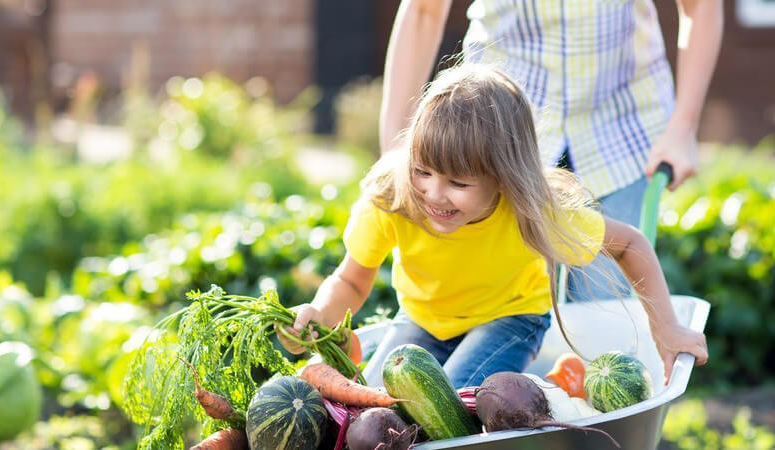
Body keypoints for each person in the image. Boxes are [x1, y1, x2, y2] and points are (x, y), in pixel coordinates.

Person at [280, 65, 707, 388]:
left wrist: (665, 326)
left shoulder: (531, 208)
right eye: (424, 171)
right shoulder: (395, 196)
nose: (433, 193)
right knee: (374, 402)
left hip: (510, 319)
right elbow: (352, 282)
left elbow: (629, 244)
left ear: (502, 178)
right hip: (424, 319)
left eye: (459, 183)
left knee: (444, 407)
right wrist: (319, 313)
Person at [378, 0, 723, 301]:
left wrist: (683, 127)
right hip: (497, 137)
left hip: (621, 123)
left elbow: (699, 5)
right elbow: (424, 9)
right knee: (499, 308)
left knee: (604, 313)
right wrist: (396, 146)